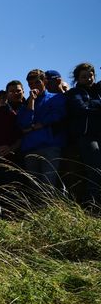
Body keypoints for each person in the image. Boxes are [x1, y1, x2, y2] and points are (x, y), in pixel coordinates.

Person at [17, 69, 67, 188]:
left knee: (49, 184)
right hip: (30, 148)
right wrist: (31, 103)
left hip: (50, 146)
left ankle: (54, 206)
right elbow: (24, 124)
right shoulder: (26, 104)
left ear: (45, 81)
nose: (34, 86)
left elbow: (59, 115)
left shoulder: (56, 98)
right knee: (34, 187)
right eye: (31, 84)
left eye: (37, 82)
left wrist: (41, 124)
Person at [66, 62, 101, 203]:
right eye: (84, 76)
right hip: (87, 137)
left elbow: (88, 106)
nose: (88, 79)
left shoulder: (98, 90)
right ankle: (95, 205)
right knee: (96, 171)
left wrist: (92, 105)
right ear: (77, 79)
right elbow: (81, 107)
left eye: (90, 75)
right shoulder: (75, 92)